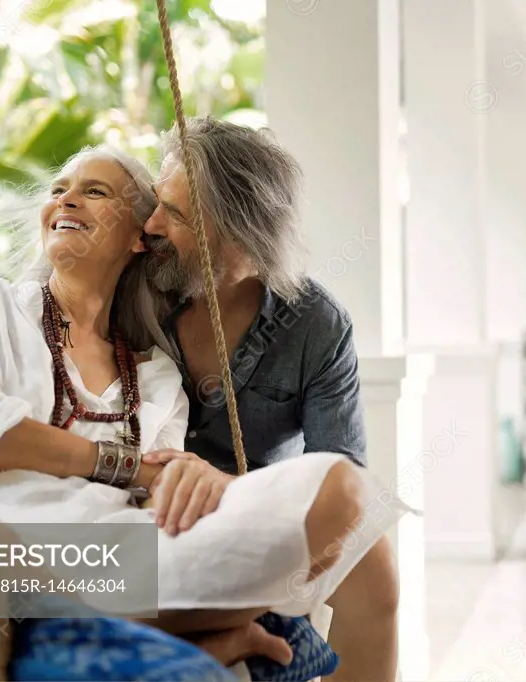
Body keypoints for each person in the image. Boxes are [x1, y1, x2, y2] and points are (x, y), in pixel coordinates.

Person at [0, 145, 406, 670]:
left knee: (341, 493)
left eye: (94, 192)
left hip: (127, 560)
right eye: (58, 190)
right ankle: (194, 633)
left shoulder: (156, 372)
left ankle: (156, 623)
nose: (67, 200)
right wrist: (129, 467)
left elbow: (157, 504)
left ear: (140, 238)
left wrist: (195, 485)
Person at [141, 117, 400, 682]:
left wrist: (233, 492)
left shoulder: (315, 324)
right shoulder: (141, 293)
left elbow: (343, 476)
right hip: (146, 511)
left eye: (177, 214)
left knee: (375, 563)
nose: (152, 224)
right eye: (159, 203)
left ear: (237, 232)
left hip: (258, 517)